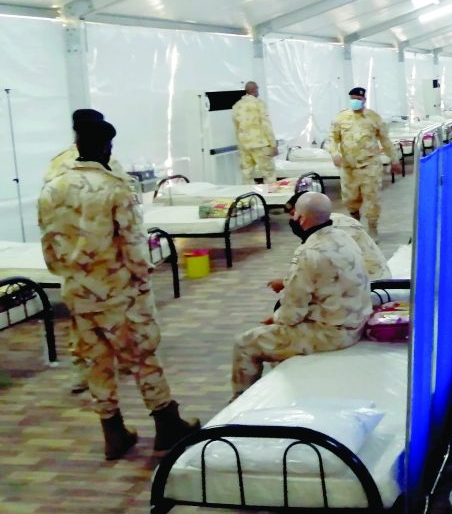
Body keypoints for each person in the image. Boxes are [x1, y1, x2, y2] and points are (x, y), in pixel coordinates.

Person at [38, 120, 200, 460]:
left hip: (78, 292)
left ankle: (113, 432)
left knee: (96, 361)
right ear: (106, 148)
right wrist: (141, 280)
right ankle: (166, 423)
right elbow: (133, 244)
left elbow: (49, 247)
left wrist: (71, 276)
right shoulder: (115, 188)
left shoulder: (51, 189)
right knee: (142, 356)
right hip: (118, 291)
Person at [232, 192, 371, 397]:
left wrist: (275, 319)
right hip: (356, 320)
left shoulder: (309, 253)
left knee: (246, 343)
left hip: (333, 335)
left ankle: (239, 404)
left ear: (301, 218)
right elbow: (323, 280)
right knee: (278, 335)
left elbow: (291, 313)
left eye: (293, 212)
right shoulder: (343, 236)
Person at [45, 109, 130, 394]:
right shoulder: (106, 163)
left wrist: (60, 265)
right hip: (107, 267)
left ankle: (83, 374)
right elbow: (124, 218)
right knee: (120, 321)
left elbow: (48, 221)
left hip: (73, 267)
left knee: (81, 326)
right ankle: (129, 361)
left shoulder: (57, 165)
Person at [326, 87, 402, 240]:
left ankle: (373, 229)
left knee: (371, 198)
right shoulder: (341, 118)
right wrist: (334, 154)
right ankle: (356, 227)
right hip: (349, 168)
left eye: (359, 99)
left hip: (370, 166)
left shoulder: (374, 118)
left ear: (364, 99)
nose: (356, 101)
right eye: (353, 98)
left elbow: (385, 140)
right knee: (350, 199)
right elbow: (332, 139)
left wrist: (394, 159)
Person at [232, 81, 277, 184]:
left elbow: (236, 126)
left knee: (246, 174)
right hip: (260, 143)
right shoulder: (259, 104)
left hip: (244, 144)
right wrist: (273, 144)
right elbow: (266, 125)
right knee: (268, 173)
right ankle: (272, 197)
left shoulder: (237, 106)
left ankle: (247, 198)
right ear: (255, 90)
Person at [329, 212, 390, 280]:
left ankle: (372, 225)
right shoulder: (336, 220)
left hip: (372, 282)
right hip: (375, 281)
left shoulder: (337, 225)